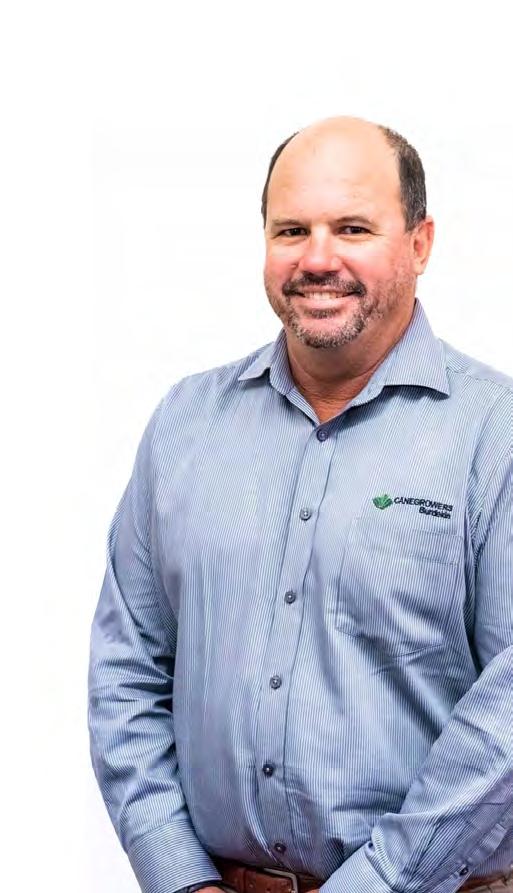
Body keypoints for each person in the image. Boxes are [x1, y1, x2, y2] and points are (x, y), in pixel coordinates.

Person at [88, 116, 513, 893]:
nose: (317, 259)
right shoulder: (185, 423)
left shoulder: (495, 433)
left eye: (352, 227)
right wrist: (179, 874)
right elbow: (127, 670)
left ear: (419, 243)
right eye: (291, 230)